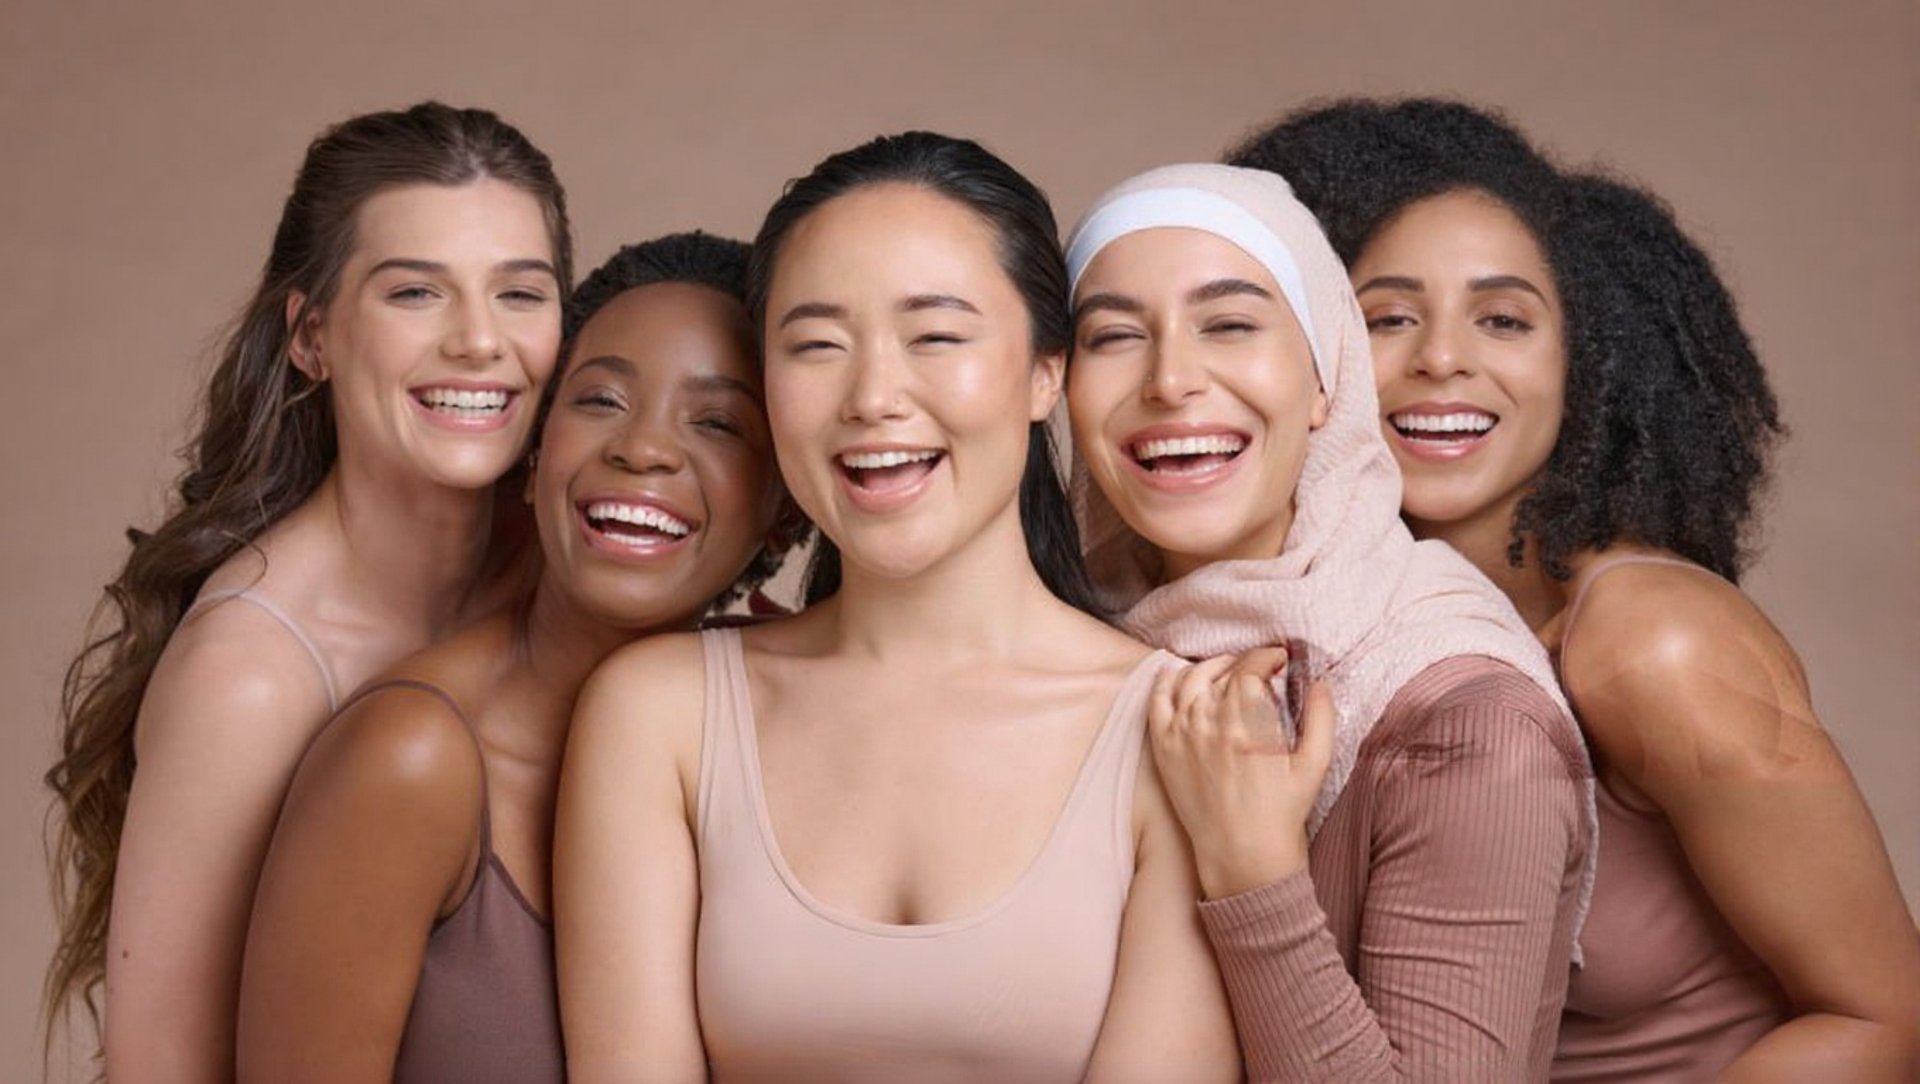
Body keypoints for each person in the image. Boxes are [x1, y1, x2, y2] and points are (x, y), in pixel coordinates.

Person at [1231, 96, 1920, 1080]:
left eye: (1503, 320)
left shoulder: (1651, 645)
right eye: (1388, 318)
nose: (1442, 358)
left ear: (1585, 363)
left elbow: (1885, 1019)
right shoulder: (1314, 625)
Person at [555, 132, 1239, 1083]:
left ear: (1046, 373)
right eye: (817, 346)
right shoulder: (658, 713)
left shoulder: (1182, 729)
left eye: (936, 337)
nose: (873, 397)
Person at [43, 102, 572, 1082]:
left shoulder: (574, 581)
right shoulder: (249, 676)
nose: (479, 340)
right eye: (415, 292)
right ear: (312, 337)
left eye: (520, 293)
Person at [1063, 161, 1594, 1082]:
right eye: (1113, 336)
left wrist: (1253, 870)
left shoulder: (1467, 720)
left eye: (1230, 325)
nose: (1171, 380)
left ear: (1325, 378)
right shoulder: (1066, 644)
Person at [234, 232, 789, 1084]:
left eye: (717, 422)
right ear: (534, 455)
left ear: (786, 512)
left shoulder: (791, 737)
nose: (643, 449)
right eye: (601, 400)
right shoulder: (413, 756)